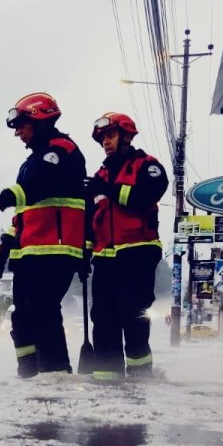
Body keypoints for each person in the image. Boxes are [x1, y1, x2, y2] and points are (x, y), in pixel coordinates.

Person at [0, 93, 87, 378]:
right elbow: (23, 212)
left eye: (22, 125)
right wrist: (4, 247)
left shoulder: (63, 151)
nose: (18, 132)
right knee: (22, 317)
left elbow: (36, 186)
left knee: (43, 310)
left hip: (57, 251)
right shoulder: (30, 162)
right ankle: (29, 377)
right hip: (29, 254)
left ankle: (56, 378)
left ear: (40, 120)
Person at [86, 112, 168, 380]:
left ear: (127, 136)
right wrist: (83, 253)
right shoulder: (99, 175)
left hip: (138, 255)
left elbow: (144, 197)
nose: (105, 142)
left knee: (132, 315)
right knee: (103, 319)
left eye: (110, 136)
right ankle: (106, 385)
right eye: (102, 139)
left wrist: (108, 188)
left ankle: (140, 381)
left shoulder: (148, 167)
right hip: (105, 260)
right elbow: (91, 219)